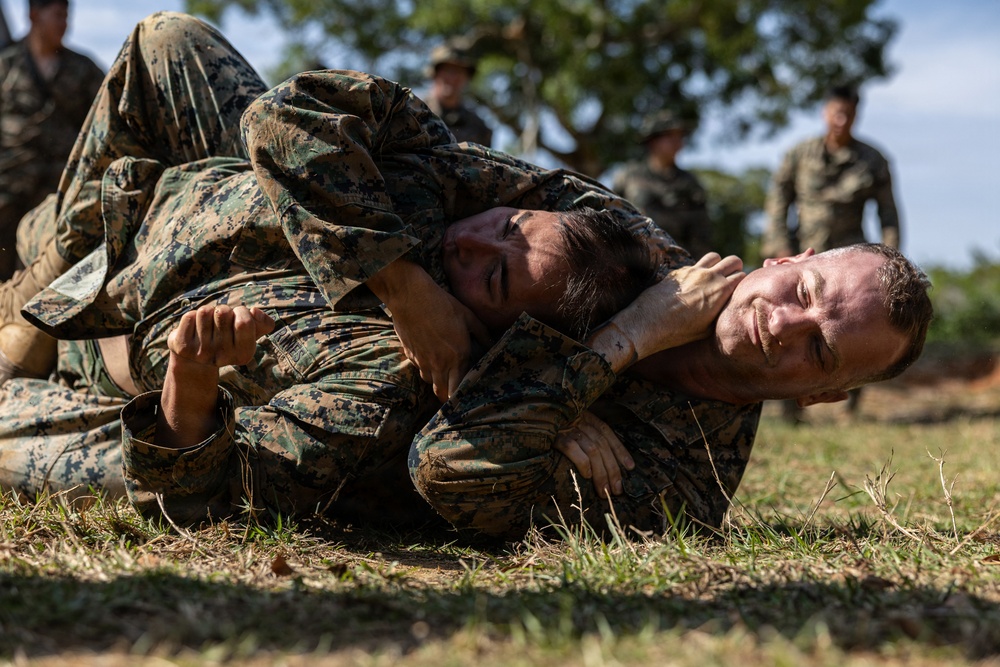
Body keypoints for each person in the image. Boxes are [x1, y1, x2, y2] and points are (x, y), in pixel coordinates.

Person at [0, 14, 932, 542]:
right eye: (804, 294)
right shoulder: (617, 234)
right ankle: (41, 299)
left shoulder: (685, 483)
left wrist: (611, 352)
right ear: (787, 258)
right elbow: (400, 166)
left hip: (301, 393)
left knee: (145, 424)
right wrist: (409, 286)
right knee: (168, 46)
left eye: (817, 349)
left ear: (826, 394)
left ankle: (91, 348)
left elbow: (449, 467)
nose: (783, 325)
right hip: (282, 259)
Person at [762, 84, 902, 420]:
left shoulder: (873, 159)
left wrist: (890, 262)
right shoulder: (799, 155)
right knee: (787, 328)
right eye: (836, 112)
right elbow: (777, 203)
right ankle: (789, 407)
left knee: (856, 328)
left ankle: (851, 403)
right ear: (825, 112)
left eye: (849, 114)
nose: (841, 120)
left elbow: (889, 215)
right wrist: (780, 247)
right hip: (803, 255)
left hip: (851, 259)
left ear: (857, 115)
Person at [0, 0, 103, 280]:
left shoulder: (83, 69)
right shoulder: (6, 65)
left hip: (58, 189)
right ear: (34, 15)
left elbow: (105, 119)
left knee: (49, 271)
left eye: (67, 16)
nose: (65, 23)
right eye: (58, 15)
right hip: (8, 187)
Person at [613, 109, 713, 259]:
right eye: (669, 136)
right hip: (636, 263)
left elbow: (702, 233)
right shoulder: (628, 177)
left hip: (680, 265)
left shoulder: (690, 183)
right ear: (652, 140)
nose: (677, 141)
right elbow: (612, 221)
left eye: (679, 136)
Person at [423, 40, 493, 146]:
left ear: (467, 78)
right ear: (435, 74)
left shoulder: (478, 127)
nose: (453, 77)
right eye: (448, 70)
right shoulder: (414, 113)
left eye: (459, 71)